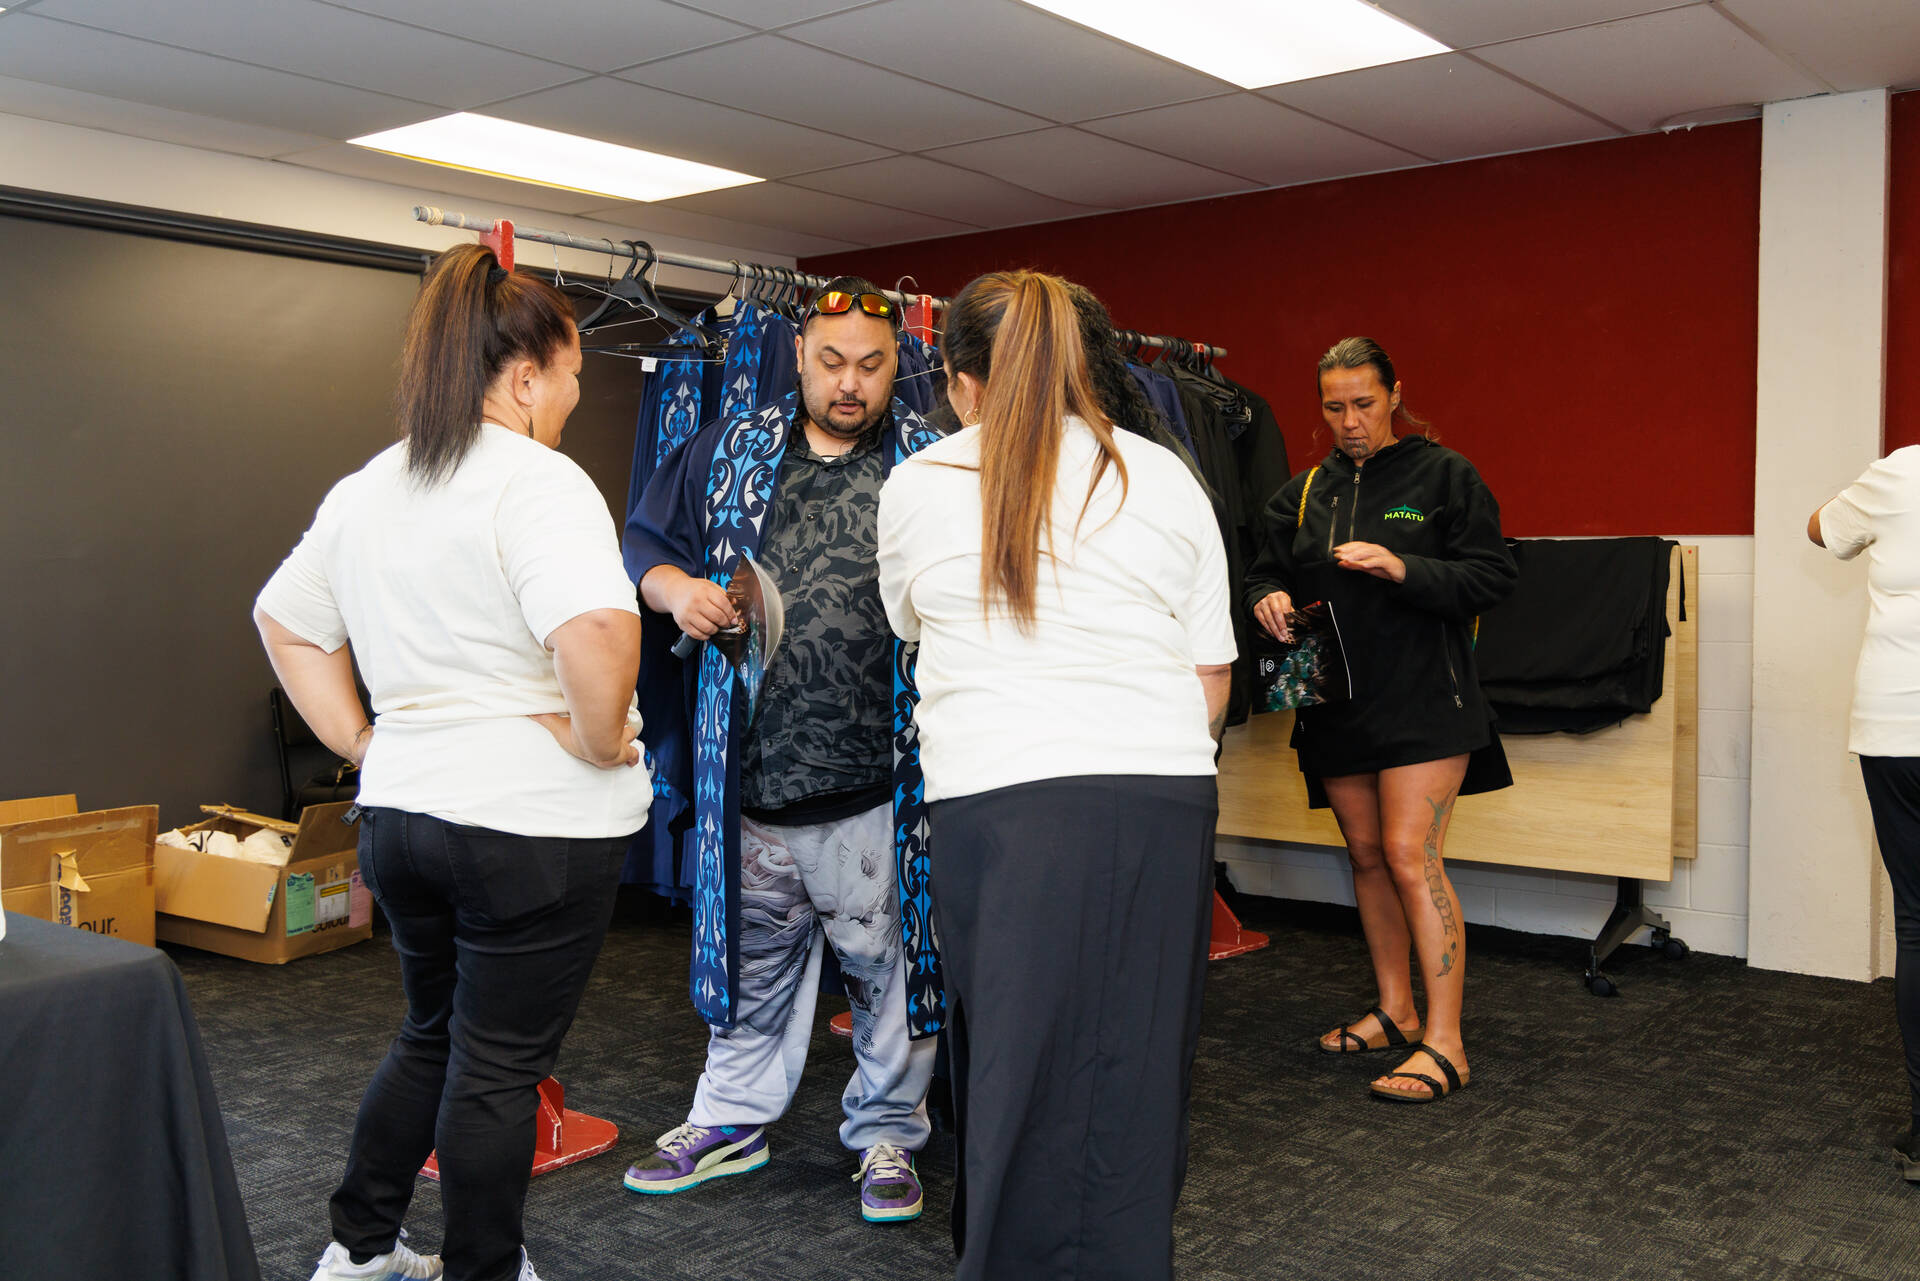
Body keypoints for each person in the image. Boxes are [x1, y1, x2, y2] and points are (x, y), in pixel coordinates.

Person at [257, 243, 651, 1281]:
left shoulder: (370, 486)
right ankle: (486, 1268)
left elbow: (284, 621)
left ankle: (358, 1252)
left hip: (404, 819)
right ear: (523, 378)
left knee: (432, 1034)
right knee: (499, 1065)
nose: (573, 398)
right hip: (529, 827)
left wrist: (365, 742)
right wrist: (599, 742)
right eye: (571, 376)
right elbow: (599, 631)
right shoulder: (540, 481)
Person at [878, 270, 1235, 1280]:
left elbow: (908, 622)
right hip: (1160, 798)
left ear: (960, 382)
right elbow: (1211, 675)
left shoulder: (922, 481)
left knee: (1011, 1059)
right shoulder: (1164, 476)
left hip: (1004, 805)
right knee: (1136, 1069)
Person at [622, 275, 942, 1222]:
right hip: (751, 777)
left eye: (871, 366)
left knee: (886, 971)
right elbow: (646, 548)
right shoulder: (730, 447)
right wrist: (680, 592)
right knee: (753, 965)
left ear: (898, 365)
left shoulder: (930, 463)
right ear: (797, 355)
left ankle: (888, 1131)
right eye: (831, 361)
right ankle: (731, 1116)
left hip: (878, 782)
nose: (850, 384)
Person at [1244, 337, 1516, 1105]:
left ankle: (1447, 1043)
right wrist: (1265, 596)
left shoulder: (1445, 476)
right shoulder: (1302, 494)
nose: (1350, 421)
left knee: (1408, 853)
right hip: (1333, 700)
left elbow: (1494, 574)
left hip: (1426, 700)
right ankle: (1397, 1010)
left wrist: (1404, 567)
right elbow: (1264, 569)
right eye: (1334, 407)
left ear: (1394, 394)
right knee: (1366, 854)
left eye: (1364, 403)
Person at [1809, 453, 1920, 1184]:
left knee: (1918, 921)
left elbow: (1821, 528)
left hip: (1897, 728)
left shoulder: (1904, 470)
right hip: (1896, 730)